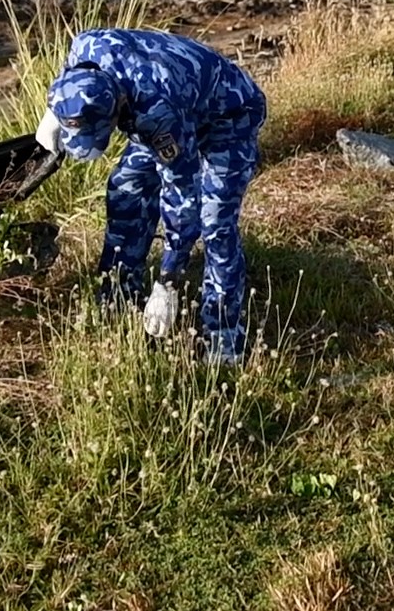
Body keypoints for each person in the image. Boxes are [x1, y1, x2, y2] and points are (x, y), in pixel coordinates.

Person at [36, 29, 265, 365]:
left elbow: (183, 198)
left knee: (215, 222)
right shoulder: (86, 48)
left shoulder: (157, 114)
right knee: (125, 188)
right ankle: (118, 300)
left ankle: (224, 339)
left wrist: (168, 281)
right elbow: (72, 77)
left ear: (115, 111)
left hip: (229, 113)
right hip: (172, 96)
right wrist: (54, 115)